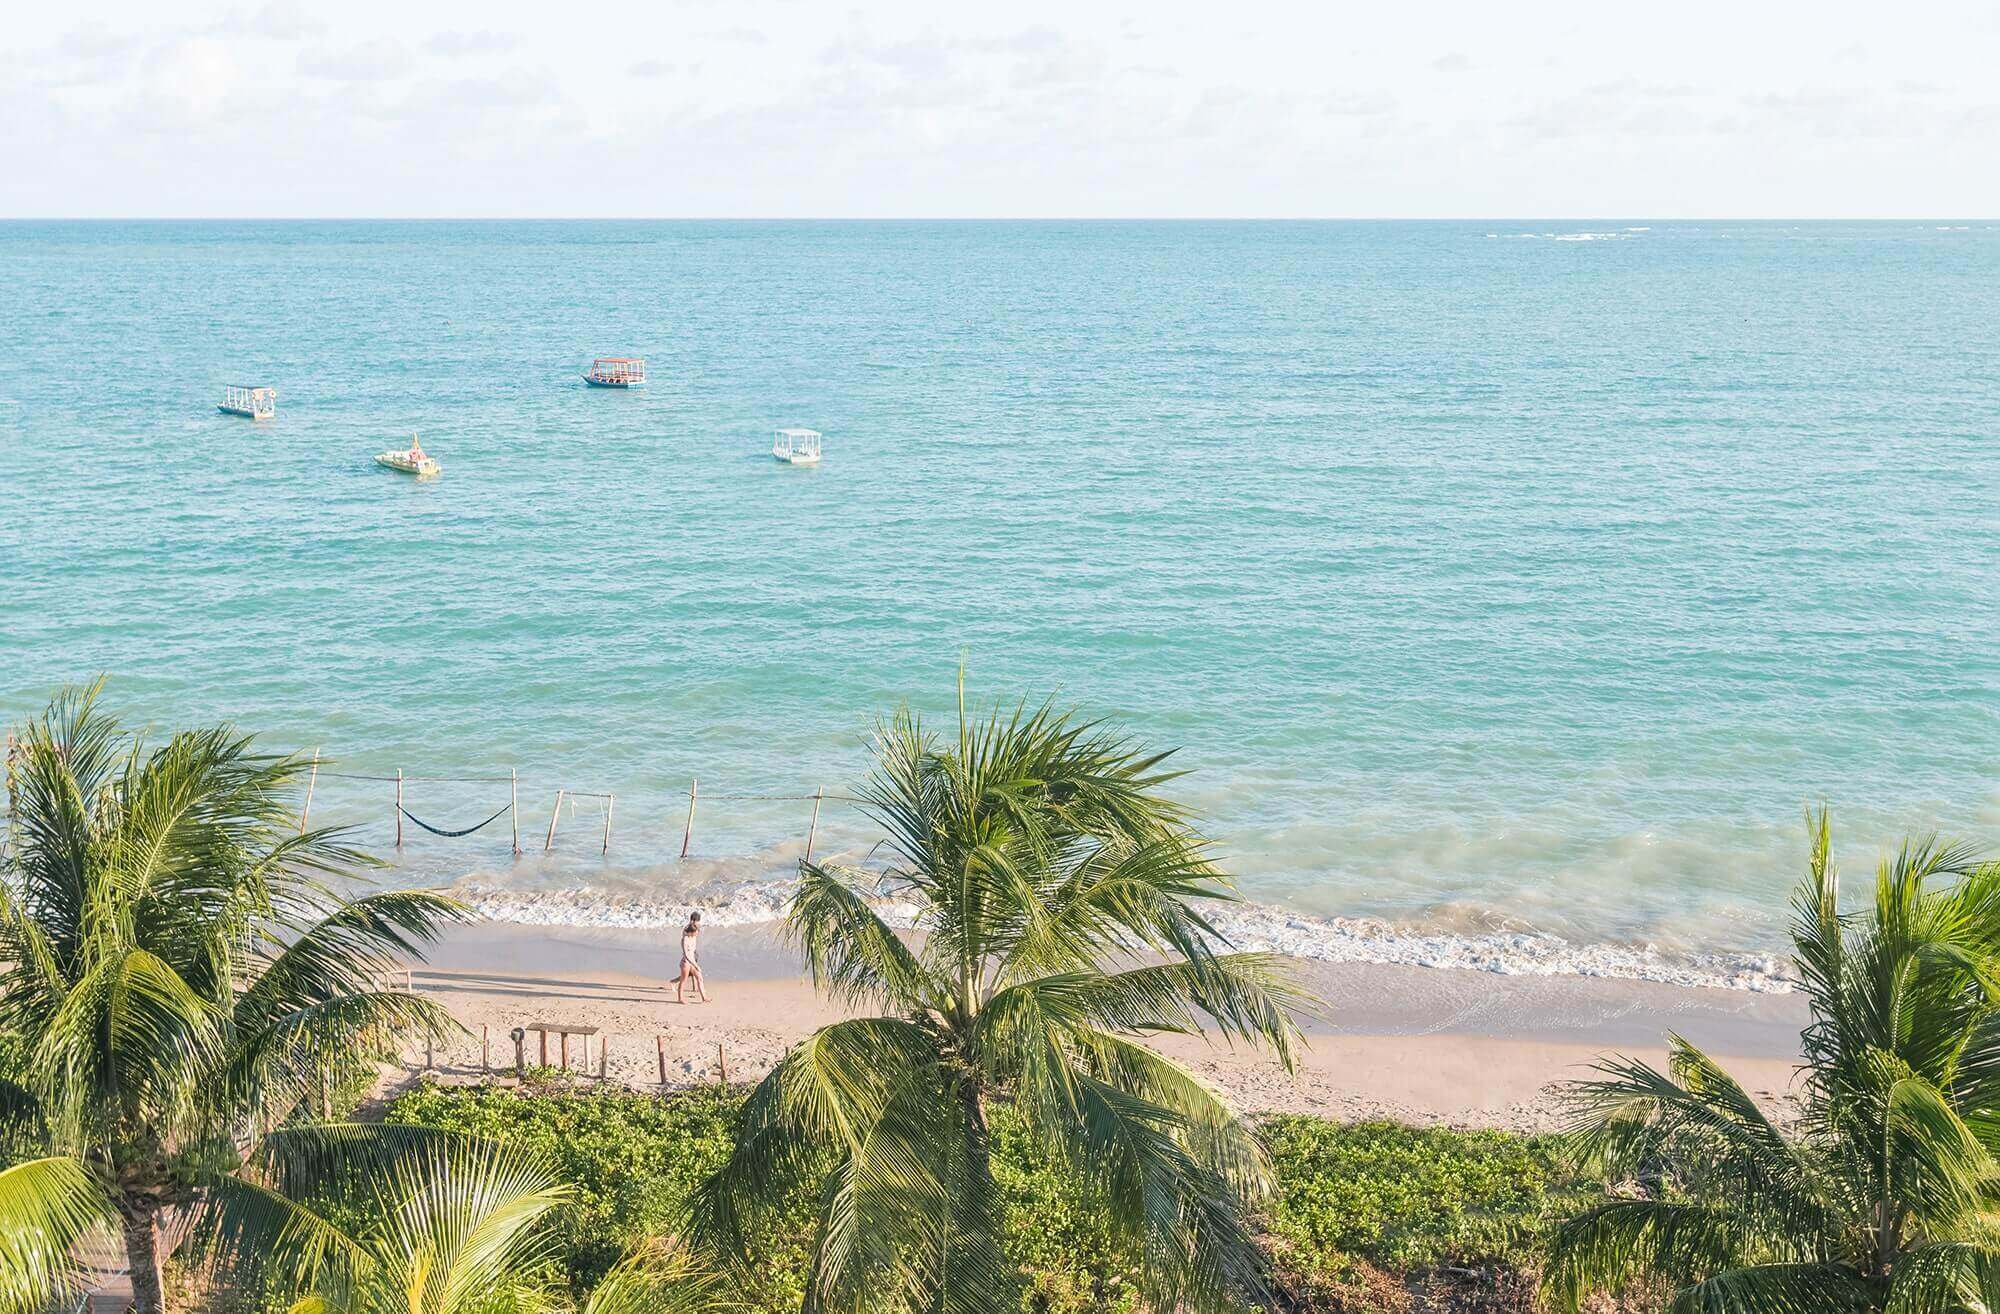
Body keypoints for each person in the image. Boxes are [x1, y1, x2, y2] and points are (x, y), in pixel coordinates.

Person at [674, 910, 708, 1003]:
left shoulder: (693, 935)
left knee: (699, 977)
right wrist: (696, 965)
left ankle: (704, 997)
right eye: (696, 932)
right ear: (691, 932)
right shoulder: (685, 939)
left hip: (692, 960)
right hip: (686, 962)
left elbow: (692, 948)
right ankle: (680, 999)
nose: (697, 933)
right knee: (683, 980)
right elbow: (686, 954)